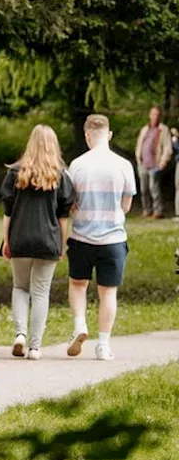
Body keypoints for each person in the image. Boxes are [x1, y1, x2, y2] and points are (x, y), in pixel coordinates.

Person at [66, 114, 136, 361]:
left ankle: (79, 326)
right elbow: (126, 205)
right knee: (108, 292)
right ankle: (103, 345)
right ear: (109, 135)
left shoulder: (76, 165)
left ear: (87, 136)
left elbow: (70, 204)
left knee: (78, 284)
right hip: (113, 239)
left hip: (81, 236)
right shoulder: (124, 165)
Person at [0, 125, 73, 359]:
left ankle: (19, 333)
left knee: (20, 287)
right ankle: (34, 346)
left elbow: (8, 212)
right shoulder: (60, 176)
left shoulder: (15, 174)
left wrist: (6, 240)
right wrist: (62, 244)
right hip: (48, 239)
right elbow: (63, 216)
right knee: (41, 292)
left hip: (19, 237)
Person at [134, 105, 172, 219]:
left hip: (156, 164)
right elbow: (139, 144)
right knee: (143, 189)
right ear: (150, 115)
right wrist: (138, 157)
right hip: (143, 163)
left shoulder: (163, 129)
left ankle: (158, 211)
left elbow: (168, 147)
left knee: (153, 188)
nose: (155, 116)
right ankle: (147, 210)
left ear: (160, 116)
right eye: (153, 114)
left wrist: (163, 161)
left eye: (157, 114)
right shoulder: (145, 129)